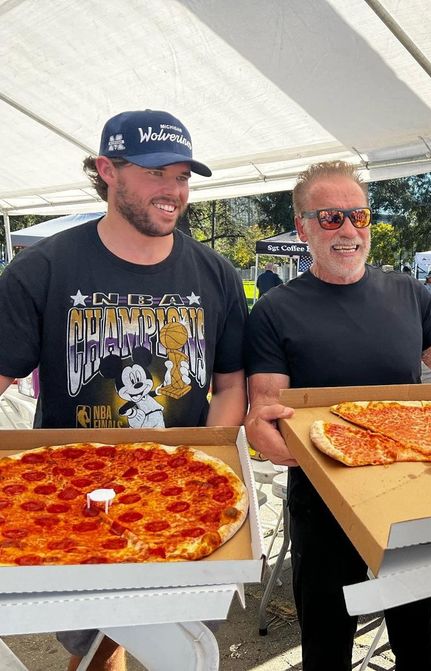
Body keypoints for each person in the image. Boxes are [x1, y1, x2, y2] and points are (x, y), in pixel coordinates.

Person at [0, 109, 248, 671]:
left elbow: (231, 383)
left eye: (183, 176)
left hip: (185, 495)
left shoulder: (216, 273)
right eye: (156, 173)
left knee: (177, 647)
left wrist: (200, 459)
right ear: (107, 170)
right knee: (96, 650)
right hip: (65, 500)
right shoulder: (42, 269)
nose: (173, 191)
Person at [243, 160, 431, 671]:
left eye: (358, 216)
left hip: (410, 499)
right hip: (323, 506)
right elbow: (267, 406)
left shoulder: (409, 294)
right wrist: (265, 434)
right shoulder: (274, 310)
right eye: (329, 218)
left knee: (418, 644)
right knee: (327, 647)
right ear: (302, 227)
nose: (348, 230)